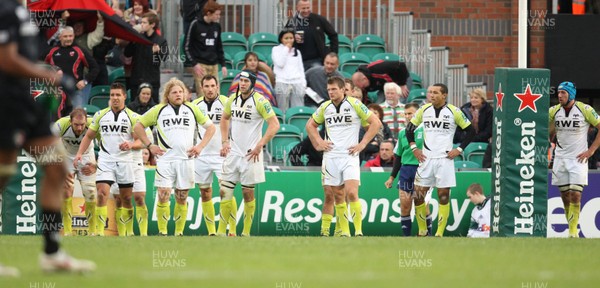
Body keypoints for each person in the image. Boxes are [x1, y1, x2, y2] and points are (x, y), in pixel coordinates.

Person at [0, 0, 95, 275]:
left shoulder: (23, 12)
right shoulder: (4, 10)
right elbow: (6, 60)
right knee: (3, 175)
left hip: (31, 102)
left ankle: (52, 253)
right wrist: (49, 77)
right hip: (7, 101)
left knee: (55, 168)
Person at [134, 77, 215, 236]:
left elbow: (211, 128)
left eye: (181, 91)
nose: (178, 94)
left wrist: (200, 146)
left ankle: (179, 232)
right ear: (168, 95)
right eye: (174, 92)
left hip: (186, 159)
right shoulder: (158, 110)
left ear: (185, 94)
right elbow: (138, 126)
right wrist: (150, 145)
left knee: (182, 196)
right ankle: (162, 231)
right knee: (163, 194)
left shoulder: (192, 109)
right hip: (166, 160)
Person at [306, 76, 382, 237]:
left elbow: (376, 123)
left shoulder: (355, 104)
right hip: (331, 157)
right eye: (329, 90)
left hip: (350, 156)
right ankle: (345, 232)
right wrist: (319, 142)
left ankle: (359, 231)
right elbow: (310, 125)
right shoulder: (325, 107)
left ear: (343, 89)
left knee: (352, 193)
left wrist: (362, 144)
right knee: (337, 196)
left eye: (334, 89)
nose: (331, 92)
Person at [405, 84, 475, 237]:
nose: (431, 95)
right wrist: (414, 149)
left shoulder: (454, 111)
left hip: (444, 159)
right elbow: (409, 129)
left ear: (444, 95)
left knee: (443, 195)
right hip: (426, 159)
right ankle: (422, 231)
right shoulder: (424, 110)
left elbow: (471, 131)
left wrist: (459, 149)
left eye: (435, 92)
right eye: (430, 92)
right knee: (418, 196)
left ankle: (439, 233)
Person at [217, 70, 280, 236]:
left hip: (250, 154)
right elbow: (224, 118)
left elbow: (274, 125)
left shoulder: (260, 101)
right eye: (241, 80)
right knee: (224, 191)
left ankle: (245, 232)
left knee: (247, 193)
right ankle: (221, 232)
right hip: (233, 153)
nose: (242, 83)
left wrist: (260, 145)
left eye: (246, 81)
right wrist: (224, 141)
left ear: (252, 83)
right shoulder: (233, 99)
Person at [74, 82, 140, 237]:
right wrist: (79, 153)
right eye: (112, 95)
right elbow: (89, 136)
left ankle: (128, 232)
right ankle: (98, 232)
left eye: (118, 95)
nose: (115, 98)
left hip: (125, 161)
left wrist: (131, 144)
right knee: (102, 193)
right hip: (105, 161)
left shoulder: (133, 116)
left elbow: (141, 141)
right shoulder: (100, 115)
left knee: (126, 198)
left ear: (124, 96)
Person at [549, 81, 600, 238]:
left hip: (578, 159)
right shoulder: (553, 111)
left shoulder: (585, 109)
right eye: (558, 92)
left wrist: (591, 150)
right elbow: (543, 127)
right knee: (565, 196)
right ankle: (572, 227)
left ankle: (572, 232)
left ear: (571, 94)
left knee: (575, 194)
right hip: (560, 158)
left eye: (563, 93)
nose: (560, 95)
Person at [192, 75, 236, 235]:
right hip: (201, 156)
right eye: (206, 86)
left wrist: (229, 143)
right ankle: (211, 232)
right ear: (202, 88)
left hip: (222, 155)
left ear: (217, 87)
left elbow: (237, 126)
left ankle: (231, 230)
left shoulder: (227, 102)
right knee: (205, 192)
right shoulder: (194, 105)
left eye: (212, 86)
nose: (210, 89)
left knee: (226, 191)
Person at [384, 103, 432, 236]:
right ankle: (407, 238)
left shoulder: (427, 130)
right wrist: (392, 177)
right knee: (405, 205)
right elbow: (398, 156)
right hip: (406, 171)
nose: (407, 116)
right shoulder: (402, 133)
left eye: (410, 113)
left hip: (422, 170)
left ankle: (428, 235)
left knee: (422, 204)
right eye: (405, 114)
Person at [55, 109, 97, 237]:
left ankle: (92, 232)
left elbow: (108, 145)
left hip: (87, 157)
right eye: (76, 125)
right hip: (66, 156)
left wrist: (96, 165)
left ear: (86, 121)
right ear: (70, 121)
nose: (79, 128)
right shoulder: (61, 124)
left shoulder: (93, 124)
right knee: (66, 190)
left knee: (90, 192)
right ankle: (67, 231)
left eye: (82, 125)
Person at [45, 26, 99, 117]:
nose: (68, 39)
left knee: (77, 118)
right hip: (55, 92)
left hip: (75, 91)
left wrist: (85, 81)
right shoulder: (52, 51)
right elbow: (39, 65)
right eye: (65, 36)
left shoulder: (79, 50)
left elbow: (95, 68)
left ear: (74, 36)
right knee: (55, 119)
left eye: (70, 36)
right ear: (60, 37)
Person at [124, 12, 168, 103]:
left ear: (152, 25)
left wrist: (158, 52)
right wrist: (132, 41)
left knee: (153, 108)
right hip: (137, 79)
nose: (141, 25)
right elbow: (127, 54)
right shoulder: (138, 38)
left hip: (152, 80)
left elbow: (165, 58)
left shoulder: (160, 41)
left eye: (144, 23)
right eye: (141, 22)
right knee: (135, 107)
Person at [185, 0, 227, 95]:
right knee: (203, 95)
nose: (218, 17)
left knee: (216, 95)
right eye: (216, 14)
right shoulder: (195, 24)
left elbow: (219, 46)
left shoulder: (217, 26)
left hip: (214, 65)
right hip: (201, 65)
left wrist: (223, 64)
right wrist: (194, 64)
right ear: (208, 13)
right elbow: (187, 46)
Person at [285, 0, 338, 70]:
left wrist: (333, 54)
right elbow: (283, 38)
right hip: (297, 60)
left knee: (316, 76)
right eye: (303, 8)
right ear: (297, 8)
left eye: (308, 8)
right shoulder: (292, 22)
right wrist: (293, 38)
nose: (306, 10)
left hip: (317, 60)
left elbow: (333, 35)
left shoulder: (318, 19)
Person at [272, 28, 306, 113]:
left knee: (298, 108)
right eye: (286, 38)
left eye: (291, 38)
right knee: (282, 109)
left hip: (297, 82)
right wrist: (286, 49)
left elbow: (301, 69)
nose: (289, 40)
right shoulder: (276, 49)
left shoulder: (297, 52)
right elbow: (280, 63)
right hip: (282, 81)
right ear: (281, 39)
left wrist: (303, 84)